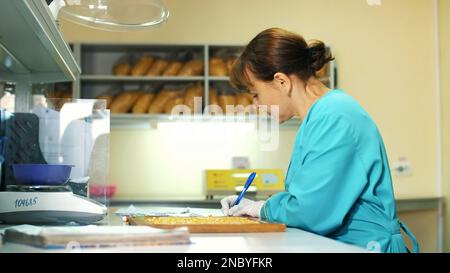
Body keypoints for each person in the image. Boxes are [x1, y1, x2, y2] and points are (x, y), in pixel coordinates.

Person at [220, 28, 419, 253]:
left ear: (281, 82)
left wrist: (261, 208)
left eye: (255, 93)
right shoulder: (320, 117)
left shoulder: (335, 117)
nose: (255, 104)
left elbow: (311, 211)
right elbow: (312, 196)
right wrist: (259, 207)